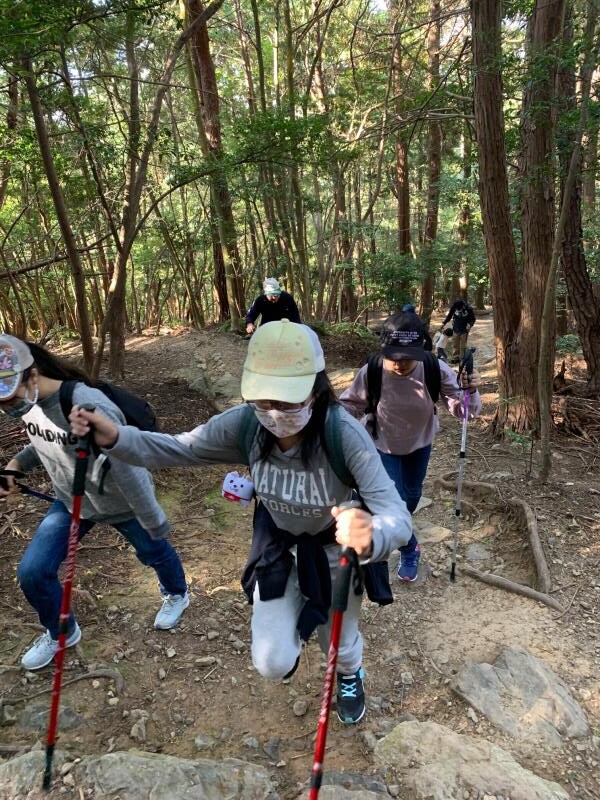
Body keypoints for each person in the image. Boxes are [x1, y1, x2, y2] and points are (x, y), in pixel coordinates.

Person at [70, 320, 413, 725]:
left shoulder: (343, 435)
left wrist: (372, 534)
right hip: (278, 547)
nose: (274, 413)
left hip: (334, 552)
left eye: (287, 401)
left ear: (316, 388)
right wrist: (115, 438)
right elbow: (179, 448)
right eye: (263, 400)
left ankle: (348, 673)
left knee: (338, 640)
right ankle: (297, 617)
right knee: (271, 661)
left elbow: (398, 517)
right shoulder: (246, 426)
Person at [0, 335, 189, 671]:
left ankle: (177, 592)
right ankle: (61, 631)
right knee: (33, 571)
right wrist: (15, 466)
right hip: (72, 500)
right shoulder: (31, 407)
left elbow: (127, 465)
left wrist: (153, 519)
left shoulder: (86, 404)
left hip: (121, 500)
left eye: (8, 397)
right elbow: (44, 443)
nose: (7, 407)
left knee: (153, 551)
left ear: (31, 375)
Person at [338, 308, 481, 582]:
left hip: (420, 444)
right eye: (394, 357)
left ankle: (404, 537)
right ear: (383, 349)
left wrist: (470, 392)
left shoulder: (433, 368)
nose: (400, 364)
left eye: (408, 358)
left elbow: (462, 410)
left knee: (411, 497)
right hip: (381, 445)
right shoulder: (372, 371)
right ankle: (408, 547)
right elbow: (349, 406)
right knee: (395, 502)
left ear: (421, 350)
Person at [442, 299, 476, 363]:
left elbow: (473, 319)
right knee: (455, 344)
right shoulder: (454, 307)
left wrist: (470, 325)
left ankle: (462, 359)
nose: (457, 310)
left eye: (459, 309)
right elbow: (449, 316)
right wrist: (444, 323)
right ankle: (455, 358)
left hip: (464, 329)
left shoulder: (468, 308)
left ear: (462, 306)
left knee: (463, 345)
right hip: (456, 328)